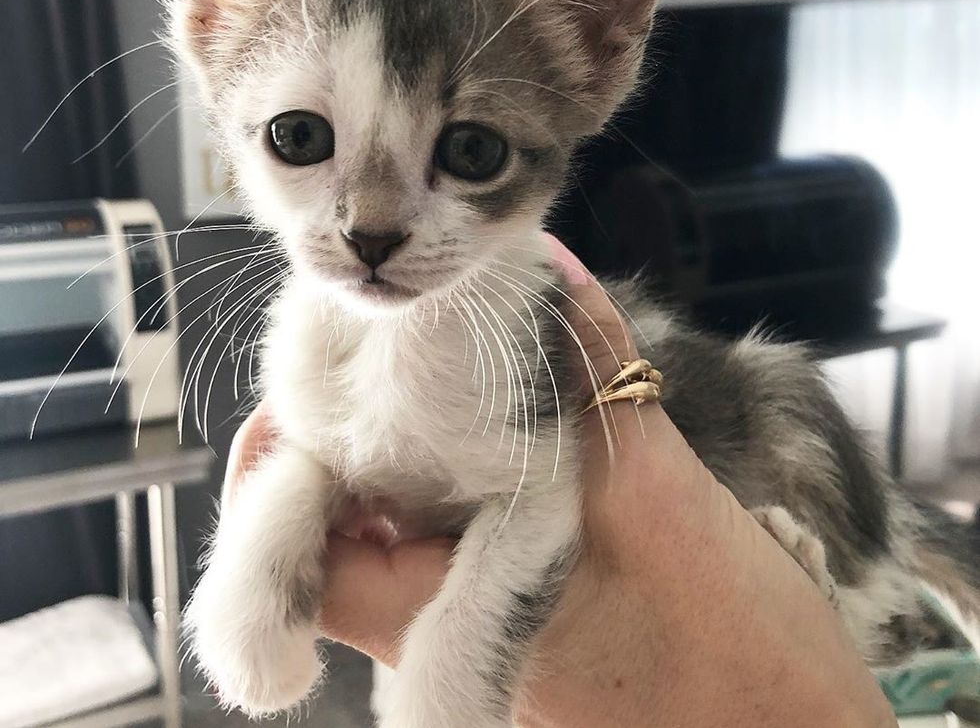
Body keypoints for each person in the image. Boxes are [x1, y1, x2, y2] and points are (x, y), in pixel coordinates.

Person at [222, 240, 897, 727]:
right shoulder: (313, 352)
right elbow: (323, 459)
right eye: (301, 138)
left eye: (471, 152)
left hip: (750, 480)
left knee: (782, 391)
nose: (370, 226)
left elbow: (530, 492)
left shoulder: (503, 328)